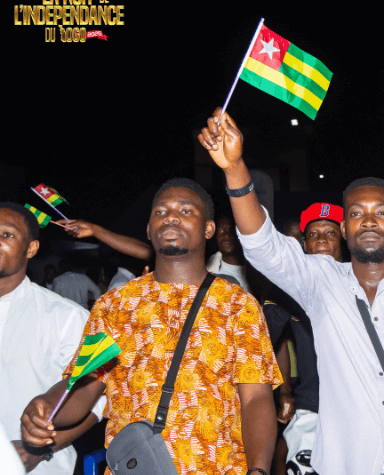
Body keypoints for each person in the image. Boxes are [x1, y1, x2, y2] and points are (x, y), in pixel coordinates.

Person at [198, 96, 384, 475]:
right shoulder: (320, 280)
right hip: (344, 464)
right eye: (357, 213)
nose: (369, 221)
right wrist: (234, 169)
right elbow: (262, 245)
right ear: (344, 228)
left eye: (381, 213)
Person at [20, 179, 283, 475]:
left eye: (186, 210)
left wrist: (258, 470)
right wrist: (47, 405)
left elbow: (256, 398)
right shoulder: (114, 306)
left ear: (208, 229)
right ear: (148, 230)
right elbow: (85, 386)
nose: (171, 217)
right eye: (161, 211)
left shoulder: (238, 305)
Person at [0, 202, 104, 474]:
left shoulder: (67, 316)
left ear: (31, 248)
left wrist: (40, 449)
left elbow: (98, 399)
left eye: (6, 234)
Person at [265, 202, 345, 474]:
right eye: (313, 234)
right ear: (305, 245)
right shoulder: (290, 287)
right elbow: (264, 342)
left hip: (360, 408)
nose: (322, 239)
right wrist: (284, 391)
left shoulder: (362, 282)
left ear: (343, 239)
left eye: (330, 233)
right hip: (312, 406)